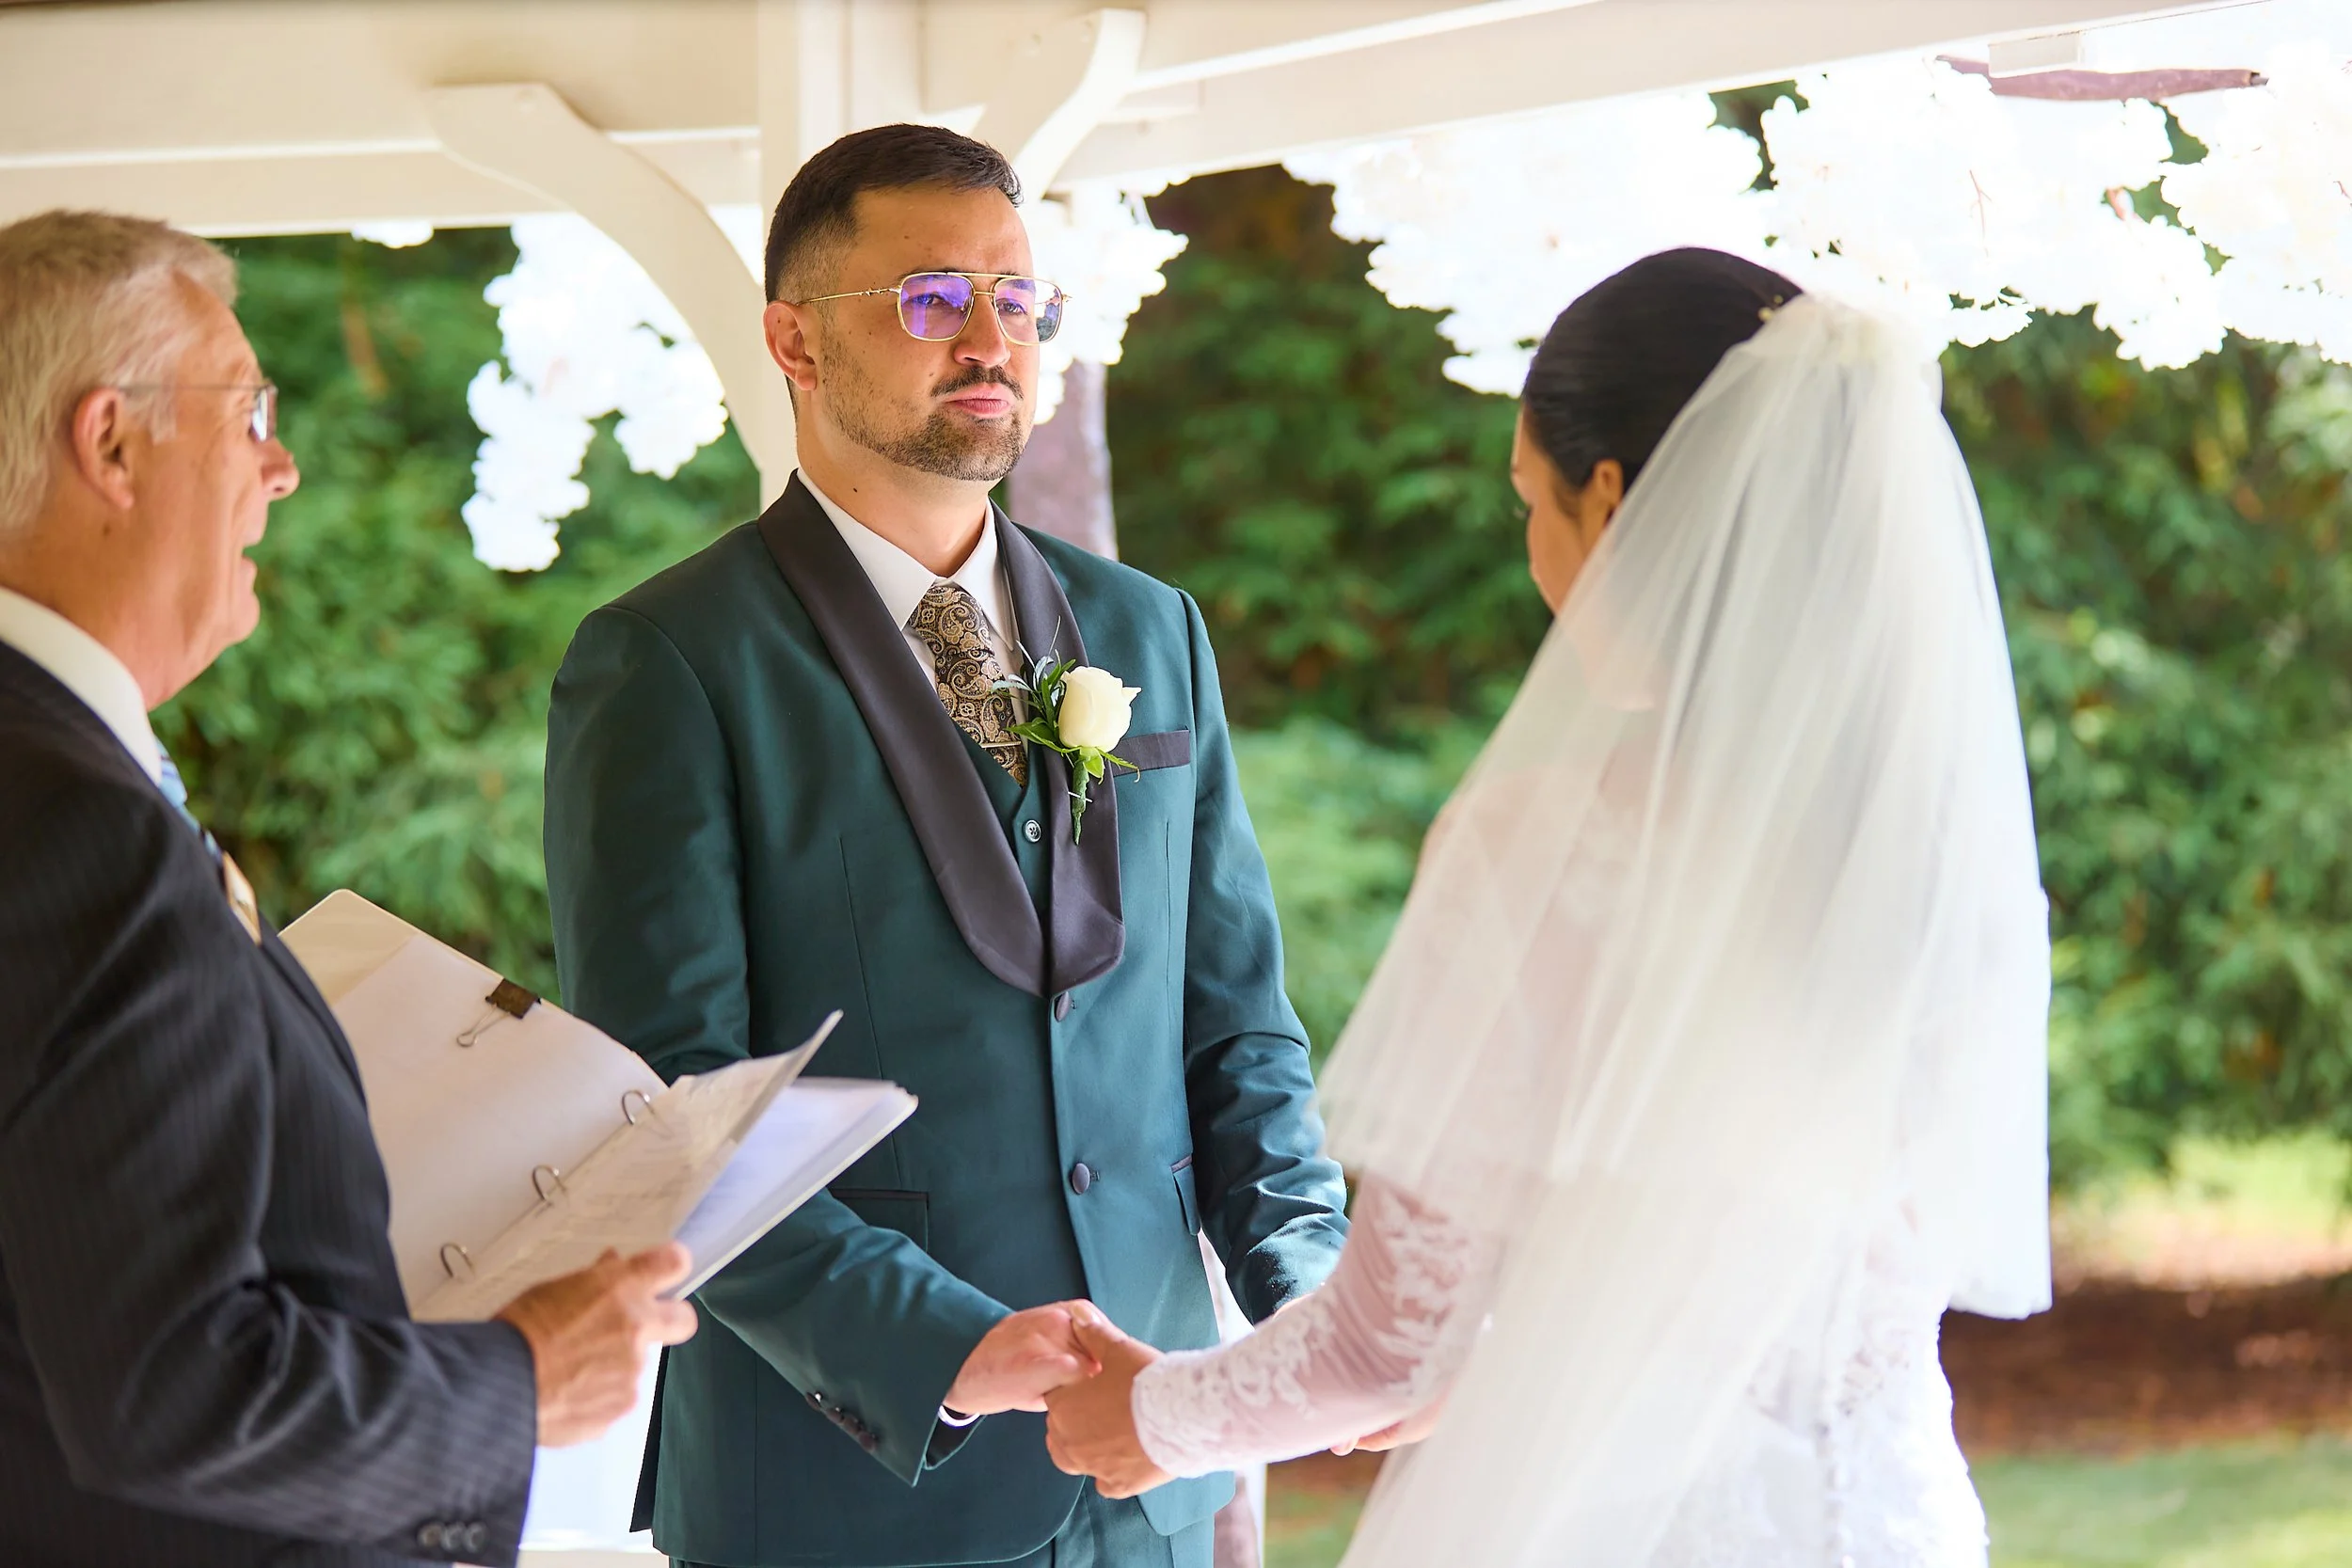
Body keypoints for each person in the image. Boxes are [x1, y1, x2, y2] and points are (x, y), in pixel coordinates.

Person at [1043, 248, 2056, 1568]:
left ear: (1617, 496)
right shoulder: (1938, 859)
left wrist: (1149, 1414)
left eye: (1533, 501)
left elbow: (1387, 1341)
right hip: (1888, 1513)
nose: (1533, 555)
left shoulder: (1546, 846)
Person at [541, 124, 1348, 1568]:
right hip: (847, 1481)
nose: (990, 338)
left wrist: (1309, 1292)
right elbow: (678, 1109)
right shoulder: (668, 660)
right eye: (928, 299)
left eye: (1017, 299)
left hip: (1155, 1463)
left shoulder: (1151, 627)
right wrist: (953, 1344)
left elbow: (1236, 1030)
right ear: (794, 338)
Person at [0, 210, 697, 1568]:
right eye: (248, 408)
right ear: (112, 442)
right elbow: (168, 1390)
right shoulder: (84, 828)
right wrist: (523, 1379)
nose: (283, 464)